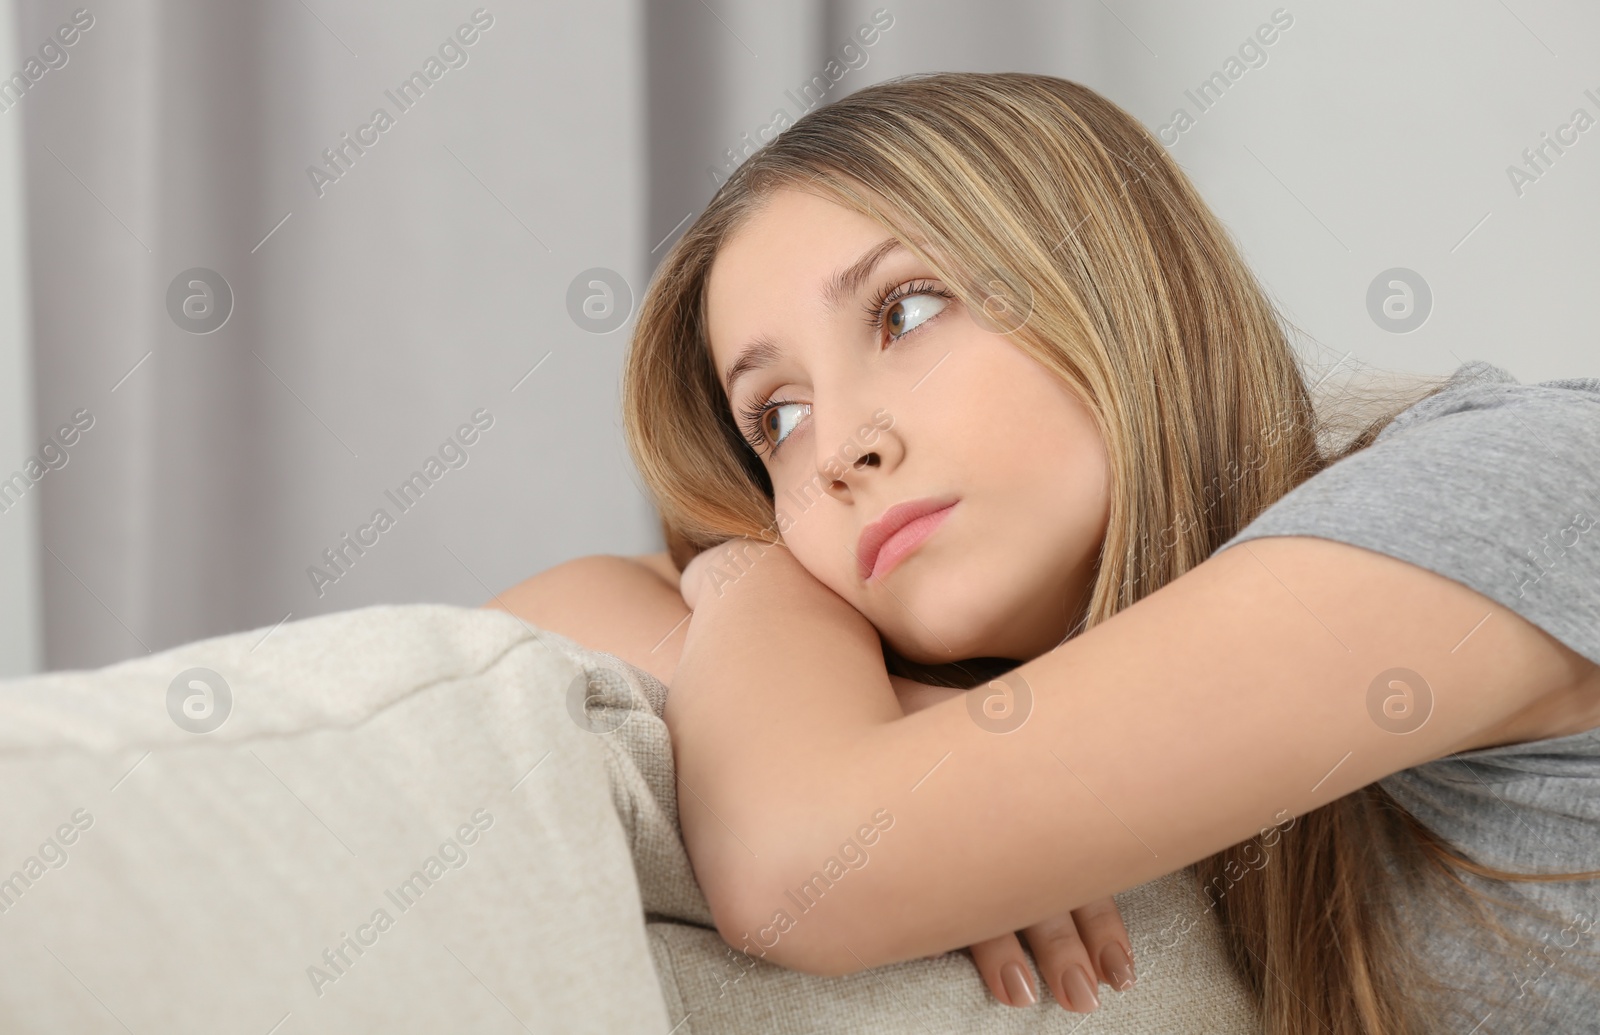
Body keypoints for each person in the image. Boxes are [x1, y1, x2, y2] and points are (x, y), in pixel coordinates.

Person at [496, 72, 1600, 1032]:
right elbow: (531, 619)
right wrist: (746, 568)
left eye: (907, 309)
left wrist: (794, 667)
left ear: (1123, 284)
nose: (838, 450)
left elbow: (797, 862)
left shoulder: (1513, 483)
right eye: (775, 419)